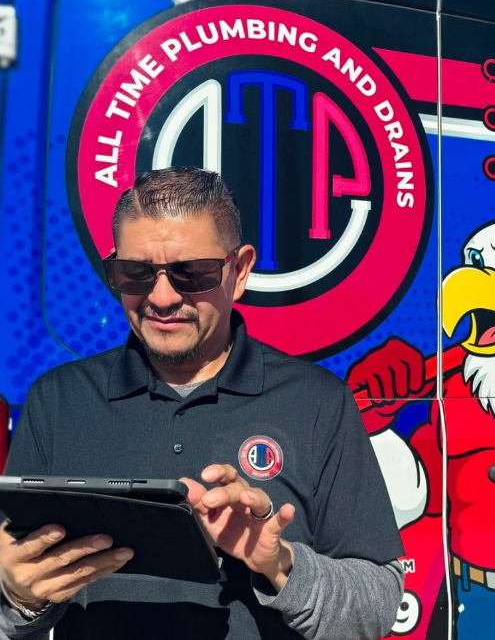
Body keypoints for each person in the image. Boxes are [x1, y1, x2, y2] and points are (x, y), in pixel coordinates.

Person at [0, 166, 404, 640]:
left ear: (240, 270)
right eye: (136, 273)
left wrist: (279, 563)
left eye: (192, 273)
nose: (162, 297)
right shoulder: (58, 400)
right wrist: (20, 601)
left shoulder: (318, 403)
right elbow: (14, 606)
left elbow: (377, 607)